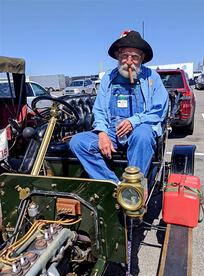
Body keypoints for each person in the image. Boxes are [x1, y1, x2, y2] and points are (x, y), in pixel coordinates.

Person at [70, 30, 168, 184]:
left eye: (134, 57)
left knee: (143, 135)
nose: (129, 62)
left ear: (141, 58)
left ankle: (134, 187)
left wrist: (133, 121)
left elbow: (158, 110)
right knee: (78, 142)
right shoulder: (108, 78)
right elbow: (99, 110)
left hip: (139, 130)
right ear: (118, 56)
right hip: (112, 132)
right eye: (124, 56)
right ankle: (114, 185)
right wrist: (102, 133)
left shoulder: (151, 78)